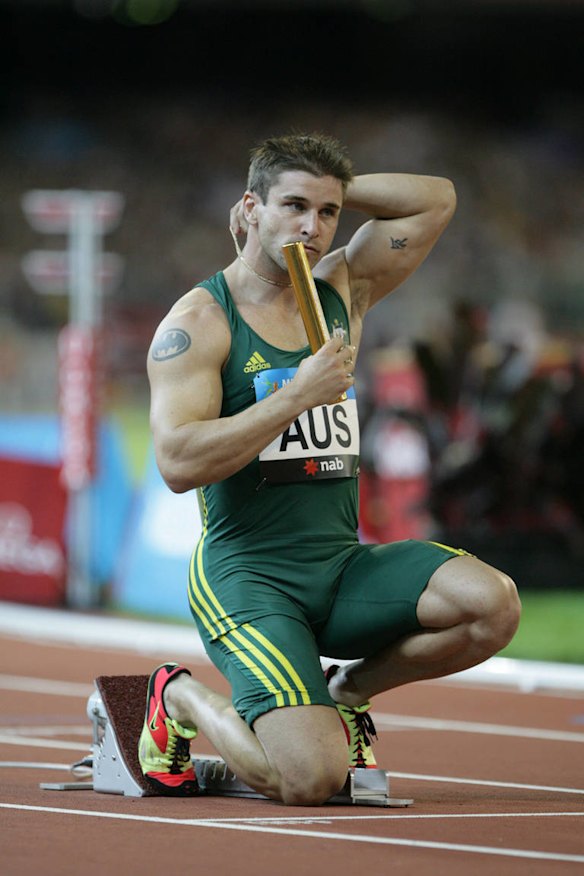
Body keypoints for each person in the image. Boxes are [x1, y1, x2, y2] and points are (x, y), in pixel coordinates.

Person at [138, 133, 521, 805]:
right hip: (249, 577)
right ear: (249, 208)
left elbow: (436, 201)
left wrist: (329, 187)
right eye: (291, 206)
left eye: (327, 212)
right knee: (309, 780)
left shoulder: (340, 286)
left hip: (339, 565)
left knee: (491, 606)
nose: (311, 228)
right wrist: (295, 396)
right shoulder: (201, 322)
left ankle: (345, 691)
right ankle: (180, 698)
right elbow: (176, 462)